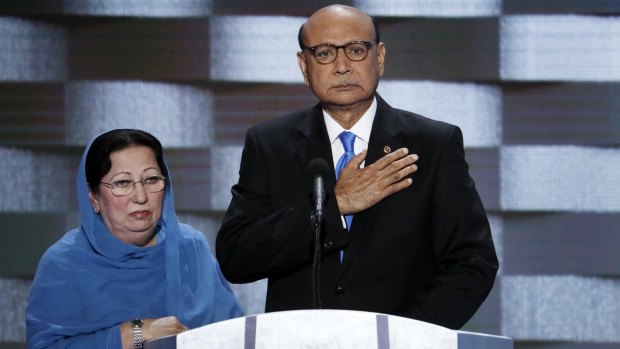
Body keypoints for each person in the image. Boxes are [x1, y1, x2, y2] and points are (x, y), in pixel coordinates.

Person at [216, 4, 498, 329]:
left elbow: (472, 263)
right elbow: (236, 256)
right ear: (303, 66)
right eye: (324, 53)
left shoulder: (432, 144)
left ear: (379, 57)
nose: (342, 66)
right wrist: (333, 208)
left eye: (355, 50)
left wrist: (403, 336)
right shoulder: (270, 144)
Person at [26, 129, 244, 349]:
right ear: (93, 198)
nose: (141, 197)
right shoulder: (64, 262)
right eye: (122, 183)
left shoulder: (190, 246)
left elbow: (234, 334)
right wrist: (133, 333)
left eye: (151, 179)